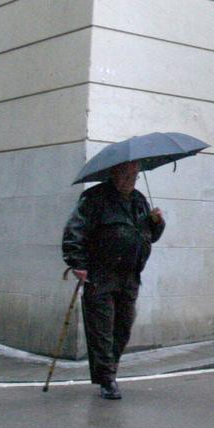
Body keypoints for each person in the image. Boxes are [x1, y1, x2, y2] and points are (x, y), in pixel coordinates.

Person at [62, 160, 165, 400]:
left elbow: (149, 235)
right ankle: (107, 379)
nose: (131, 180)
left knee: (123, 327)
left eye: (134, 175)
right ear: (114, 173)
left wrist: (156, 223)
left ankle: (110, 369)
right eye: (126, 175)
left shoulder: (139, 201)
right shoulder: (94, 198)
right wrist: (77, 263)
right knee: (102, 330)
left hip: (130, 275)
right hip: (101, 274)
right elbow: (74, 231)